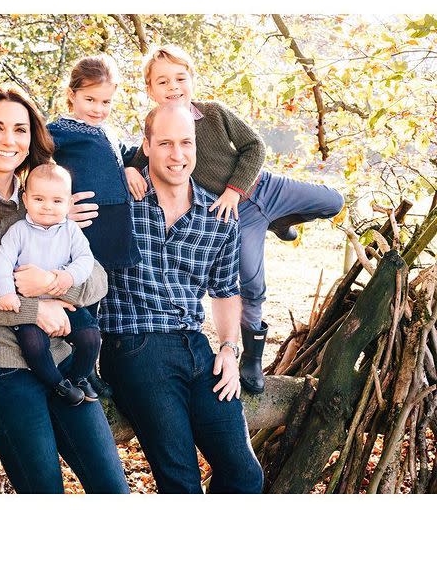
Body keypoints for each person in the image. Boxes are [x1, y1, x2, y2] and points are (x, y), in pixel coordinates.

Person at [0, 87, 129, 494]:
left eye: (20, 130)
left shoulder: (45, 199)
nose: (8, 140)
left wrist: (54, 283)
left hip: (64, 362)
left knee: (113, 489)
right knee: (44, 491)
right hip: (0, 368)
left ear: (32, 138)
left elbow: (98, 279)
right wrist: (33, 310)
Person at [125, 45, 344, 394]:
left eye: (181, 78)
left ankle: (281, 220)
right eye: (163, 81)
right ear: (150, 89)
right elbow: (140, 158)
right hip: (237, 217)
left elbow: (254, 146)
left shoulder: (213, 114)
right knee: (252, 285)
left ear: (192, 79)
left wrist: (233, 188)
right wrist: (127, 169)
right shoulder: (158, 130)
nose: (174, 87)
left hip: (263, 187)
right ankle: (252, 360)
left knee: (334, 201)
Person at [99, 103, 264, 494]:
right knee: (182, 483)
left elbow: (225, 290)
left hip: (195, 346)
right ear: (147, 145)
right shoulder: (119, 198)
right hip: (135, 345)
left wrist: (228, 348)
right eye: (166, 143)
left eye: (185, 143)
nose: (177, 154)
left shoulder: (218, 214)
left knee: (245, 475)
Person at [0, 163, 100, 406]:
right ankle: (58, 385)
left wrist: (67, 277)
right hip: (29, 308)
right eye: (39, 199)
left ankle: (79, 377)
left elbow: (85, 260)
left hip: (62, 302)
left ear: (69, 203)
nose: (48, 207)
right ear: (26, 199)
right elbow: (2, 261)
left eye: (57, 201)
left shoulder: (71, 231)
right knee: (34, 346)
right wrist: (6, 293)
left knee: (90, 336)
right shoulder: (18, 231)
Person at [47, 55, 141, 278]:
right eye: (90, 100)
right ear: (72, 94)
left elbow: (128, 155)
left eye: (106, 102)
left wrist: (129, 168)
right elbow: (33, 166)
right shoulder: (59, 130)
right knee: (80, 295)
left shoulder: (107, 131)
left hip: (116, 231)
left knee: (106, 298)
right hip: (87, 229)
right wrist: (57, 207)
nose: (98, 109)